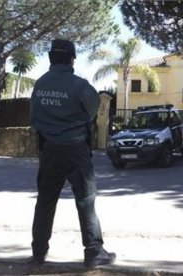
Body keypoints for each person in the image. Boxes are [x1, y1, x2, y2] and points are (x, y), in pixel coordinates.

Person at [29, 39, 115, 267]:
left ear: (50, 58)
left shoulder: (39, 84)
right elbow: (93, 110)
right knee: (86, 201)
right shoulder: (80, 85)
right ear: (71, 59)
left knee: (45, 202)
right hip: (76, 149)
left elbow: (34, 118)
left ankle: (38, 252)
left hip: (49, 150)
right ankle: (94, 252)